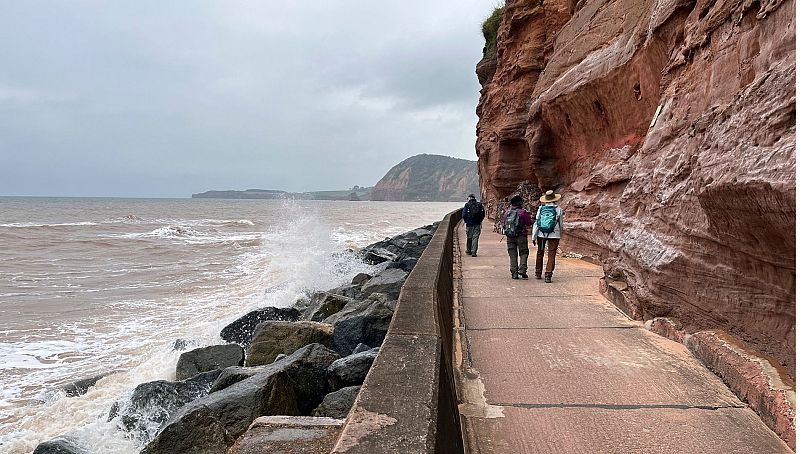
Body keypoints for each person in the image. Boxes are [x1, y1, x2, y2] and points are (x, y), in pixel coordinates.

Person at [532, 190, 564, 283]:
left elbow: (537, 223)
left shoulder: (541, 208)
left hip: (541, 233)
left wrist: (534, 236)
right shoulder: (558, 209)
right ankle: (548, 274)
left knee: (540, 252)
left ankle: (538, 273)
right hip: (554, 234)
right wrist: (560, 233)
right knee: (551, 254)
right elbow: (561, 224)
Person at [502, 195, 532, 279]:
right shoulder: (522, 212)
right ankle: (522, 270)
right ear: (520, 203)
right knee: (523, 253)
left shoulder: (507, 212)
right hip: (521, 235)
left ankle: (514, 273)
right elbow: (529, 222)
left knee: (512, 254)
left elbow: (503, 223)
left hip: (510, 236)